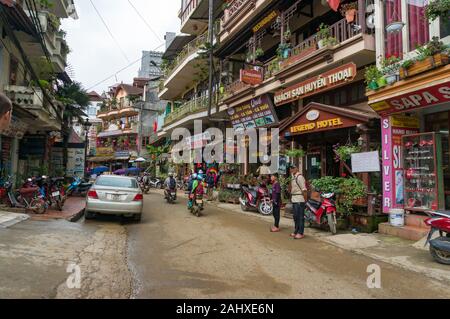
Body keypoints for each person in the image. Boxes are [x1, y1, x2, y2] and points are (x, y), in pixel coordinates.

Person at [289, 165, 308, 240]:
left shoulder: (300, 177)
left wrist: (305, 200)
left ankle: (301, 232)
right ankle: (296, 231)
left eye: (293, 168)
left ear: (297, 168)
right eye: (291, 168)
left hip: (300, 199)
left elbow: (304, 190)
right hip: (294, 199)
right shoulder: (292, 177)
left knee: (300, 217)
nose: (292, 169)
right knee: (295, 217)